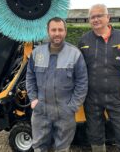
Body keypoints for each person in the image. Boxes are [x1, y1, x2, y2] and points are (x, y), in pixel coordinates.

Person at [78, 4, 120, 152]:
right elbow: (77, 69)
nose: (96, 19)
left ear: (108, 17)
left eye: (99, 15)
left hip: (117, 97)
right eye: (92, 17)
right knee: (95, 135)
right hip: (91, 98)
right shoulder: (84, 40)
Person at [26, 17, 88, 152]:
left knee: (62, 147)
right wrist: (34, 99)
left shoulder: (75, 54)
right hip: (41, 109)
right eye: (53, 29)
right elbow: (30, 77)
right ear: (48, 31)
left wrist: (73, 106)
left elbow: (82, 82)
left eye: (60, 29)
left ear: (65, 31)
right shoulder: (37, 53)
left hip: (65, 110)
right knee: (39, 146)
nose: (57, 33)